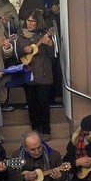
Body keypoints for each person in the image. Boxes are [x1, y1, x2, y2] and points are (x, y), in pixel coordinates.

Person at [16, 10, 55, 141]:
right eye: (28, 20)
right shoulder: (20, 35)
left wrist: (50, 44)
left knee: (44, 103)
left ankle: (46, 131)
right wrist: (23, 50)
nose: (29, 23)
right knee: (32, 104)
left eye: (32, 21)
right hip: (28, 74)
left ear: (38, 22)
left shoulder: (44, 34)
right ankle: (35, 132)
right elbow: (16, 54)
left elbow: (53, 55)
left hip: (43, 74)